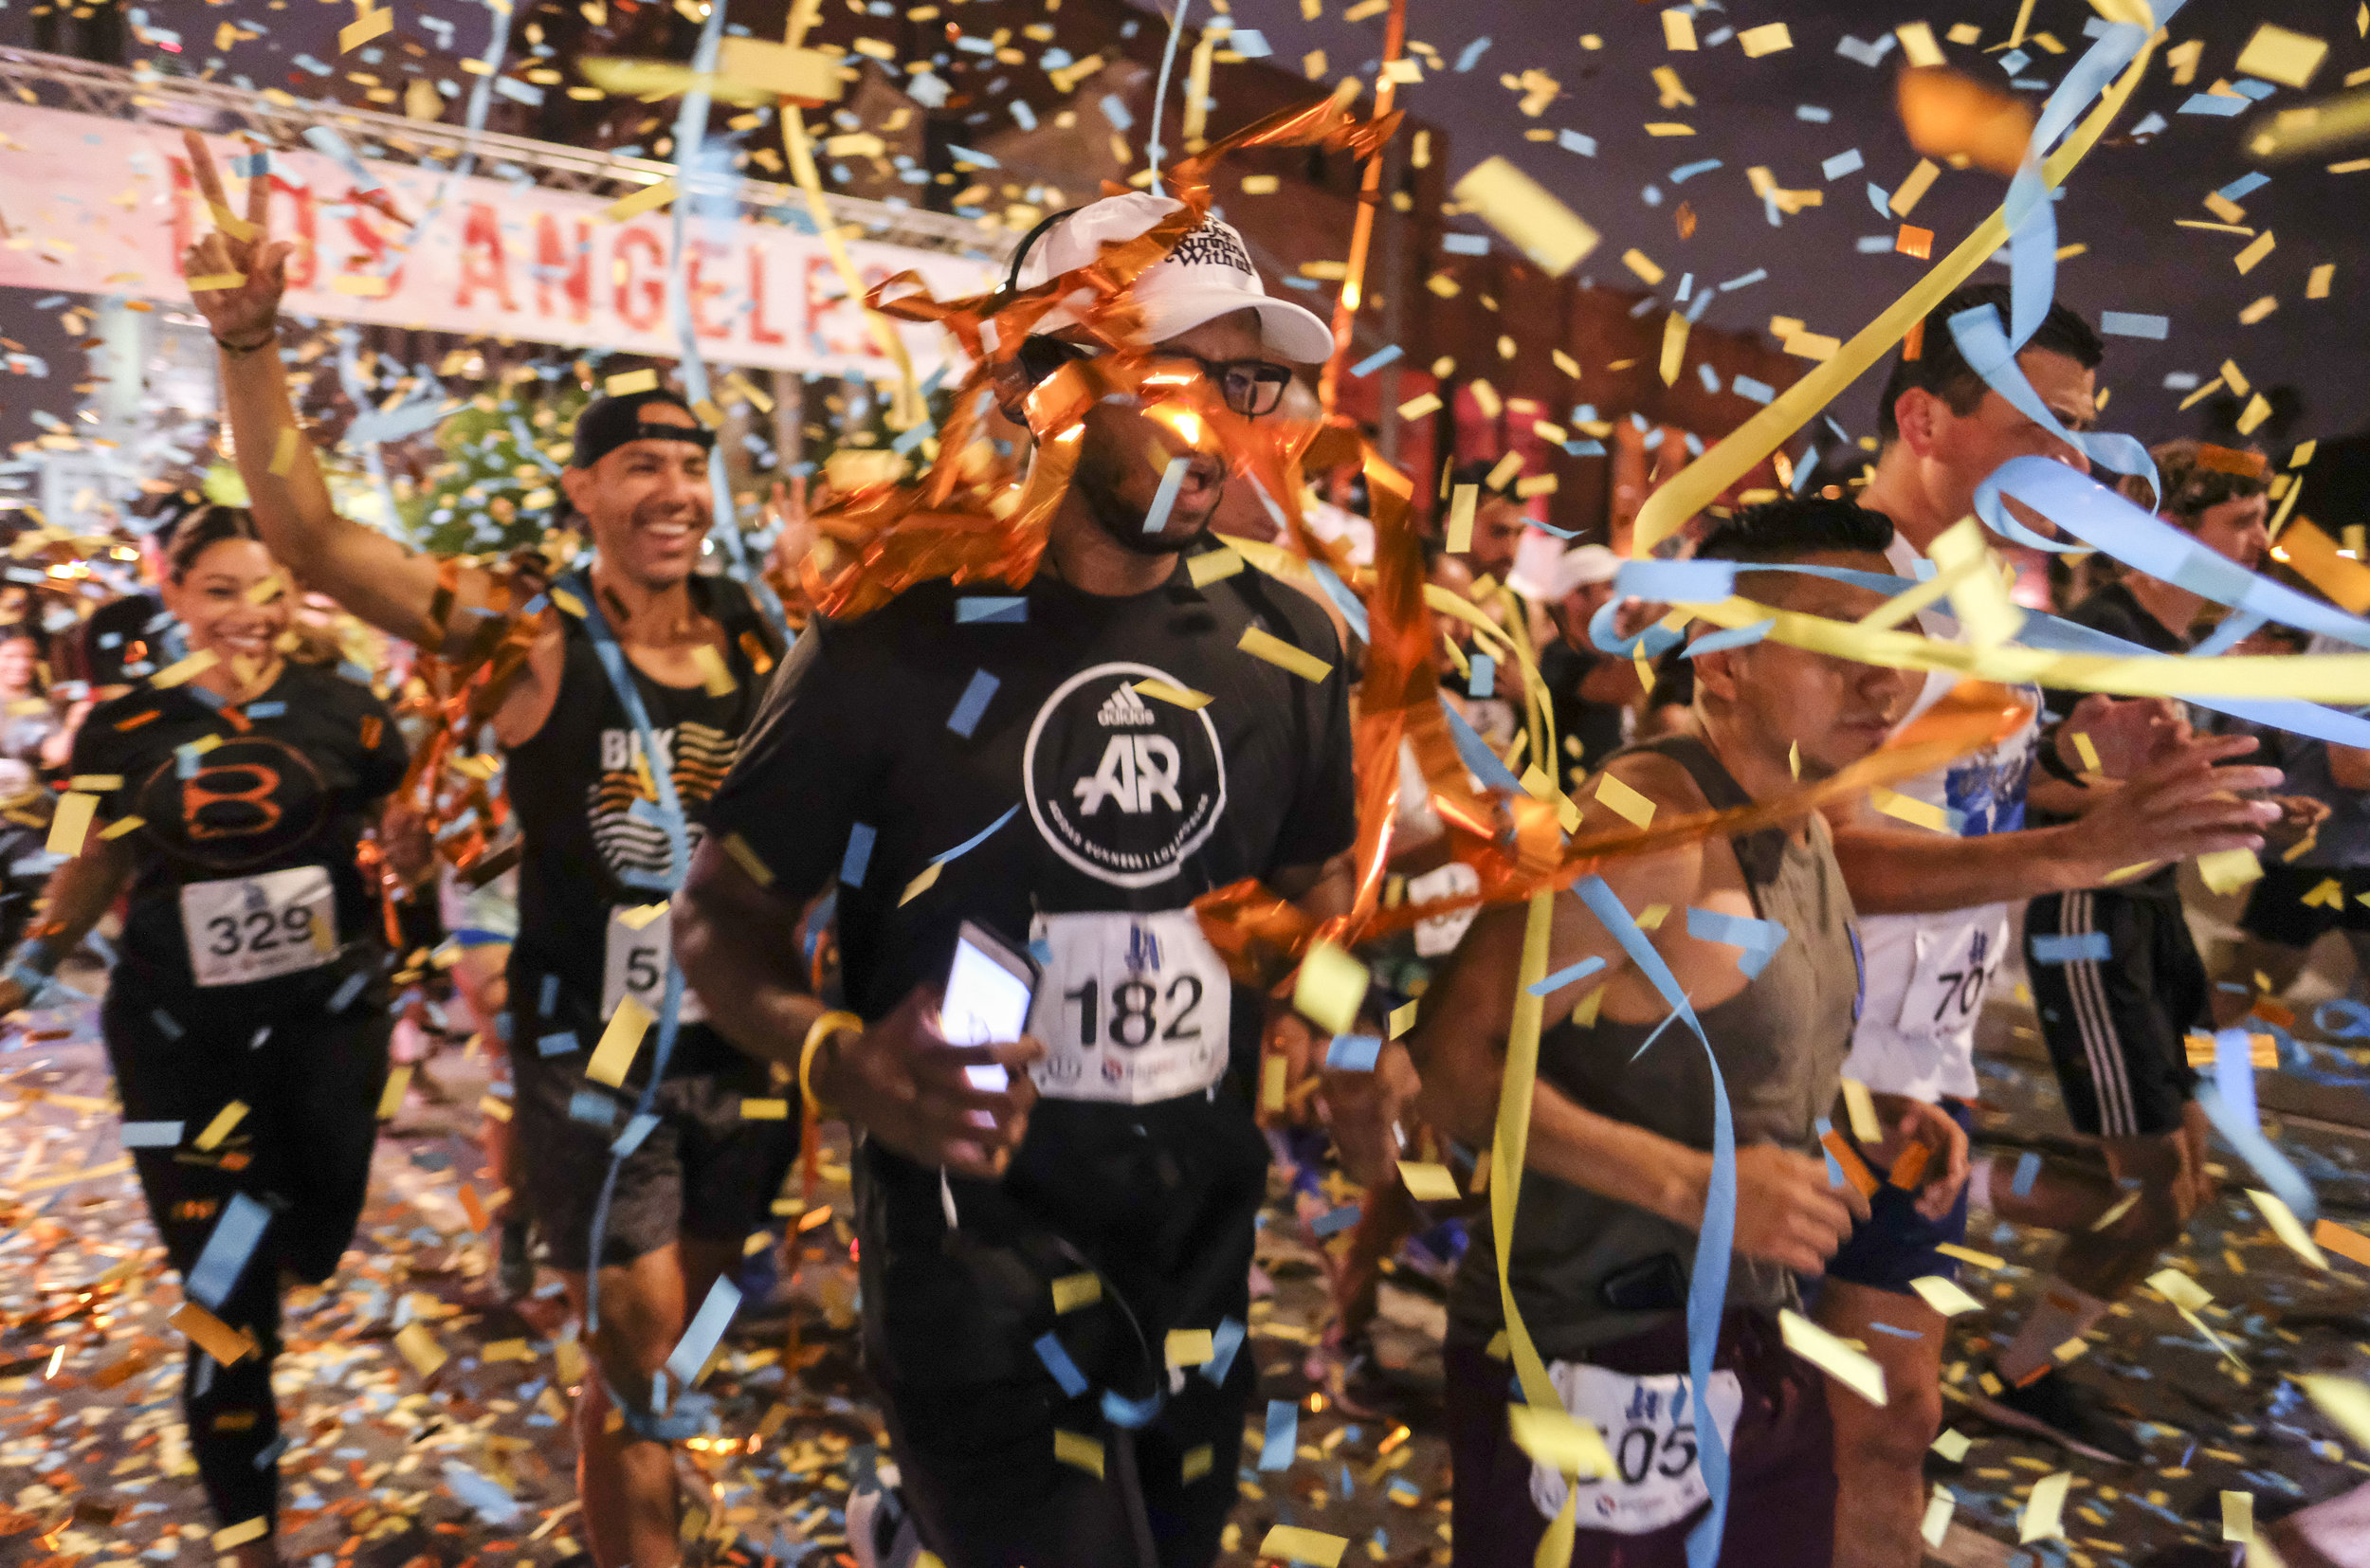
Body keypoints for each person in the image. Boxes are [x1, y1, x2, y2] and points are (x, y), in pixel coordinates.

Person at [674, 190, 1406, 1568]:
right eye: (1183, 377)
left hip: (1198, 1252)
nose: (1224, 423)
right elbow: (723, 914)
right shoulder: (890, 640)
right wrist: (840, 1056)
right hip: (973, 1256)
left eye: (1248, 380)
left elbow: (1306, 900)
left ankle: (909, 1540)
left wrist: (1359, 1029)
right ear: (1050, 384)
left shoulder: (1291, 644)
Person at [177, 133, 795, 1568]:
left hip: (740, 1056)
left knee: (679, 1343)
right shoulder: (529, 637)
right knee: (640, 1367)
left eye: (691, 467)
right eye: (641, 464)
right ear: (583, 492)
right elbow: (317, 539)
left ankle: (633, 1465)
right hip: (594, 1052)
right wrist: (253, 340)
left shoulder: (762, 641)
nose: (675, 492)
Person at [1814, 283, 2286, 1568]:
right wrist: (2080, 846)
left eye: (2081, 426)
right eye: (2040, 422)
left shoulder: (1979, 591)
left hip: (1924, 1072)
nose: (2074, 459)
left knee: (1897, 1425)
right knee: (1803, 1424)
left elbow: (1963, 796)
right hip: (1801, 1078)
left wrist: (2099, 766)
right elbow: (1788, 860)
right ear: (1924, 416)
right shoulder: (1835, 586)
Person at [1415, 499, 1945, 1568]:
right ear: (1719, 658)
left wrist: (1860, 1126)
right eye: (1835, 640)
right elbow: (1451, 1062)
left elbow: (1710, 1056)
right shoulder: (1642, 824)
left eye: (1898, 640)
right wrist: (1690, 1186)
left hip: (1748, 1347)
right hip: (1583, 1358)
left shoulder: (1801, 822)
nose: (1882, 680)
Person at [0, 505, 410, 1566]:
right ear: (171, 595)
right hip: (177, 1042)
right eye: (219, 590)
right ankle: (248, 1534)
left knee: (312, 1236)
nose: (247, 613)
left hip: (331, 1032)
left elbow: (407, 829)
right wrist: (26, 973)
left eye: (266, 588)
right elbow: (82, 863)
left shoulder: (351, 711)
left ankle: (289, 1237)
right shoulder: (113, 727)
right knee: (222, 1295)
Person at [1991, 441, 2324, 1436]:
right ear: (2173, 533)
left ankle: (1974, 1209)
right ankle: (2011, 1362)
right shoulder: (2095, 632)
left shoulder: (2182, 651)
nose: (2259, 546)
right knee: (2155, 1200)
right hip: (2088, 929)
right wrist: (2160, 804)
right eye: (2241, 524)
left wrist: (2255, 810)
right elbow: (2022, 781)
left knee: (2185, 1182)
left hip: (2155, 921)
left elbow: (2174, 789)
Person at [1537, 543, 1635, 792]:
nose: (1627, 602)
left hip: (1611, 790)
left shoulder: (1610, 656)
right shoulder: (1559, 657)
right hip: (1579, 802)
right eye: (1612, 587)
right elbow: (1621, 689)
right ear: (1576, 598)